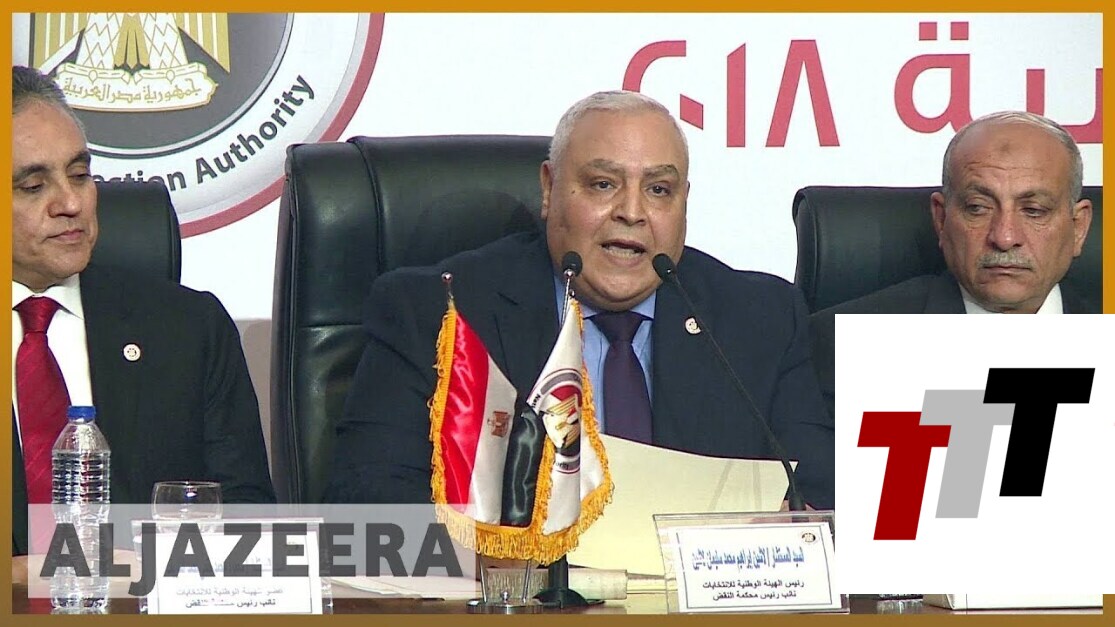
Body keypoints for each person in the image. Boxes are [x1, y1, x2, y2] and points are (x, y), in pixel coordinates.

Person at [328, 90, 834, 510]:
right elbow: (367, 510)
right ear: (549, 189)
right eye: (603, 184)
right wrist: (498, 558)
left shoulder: (760, 320)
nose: (632, 211)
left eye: (659, 190)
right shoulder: (440, 313)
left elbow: (823, 502)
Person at [10, 66, 274, 571]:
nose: (71, 203)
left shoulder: (189, 329)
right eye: (34, 185)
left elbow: (248, 523)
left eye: (80, 175)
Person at [810, 111, 1096, 416]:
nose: (1005, 237)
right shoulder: (838, 348)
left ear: (1078, 227)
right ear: (941, 219)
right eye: (978, 208)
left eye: (1034, 210)